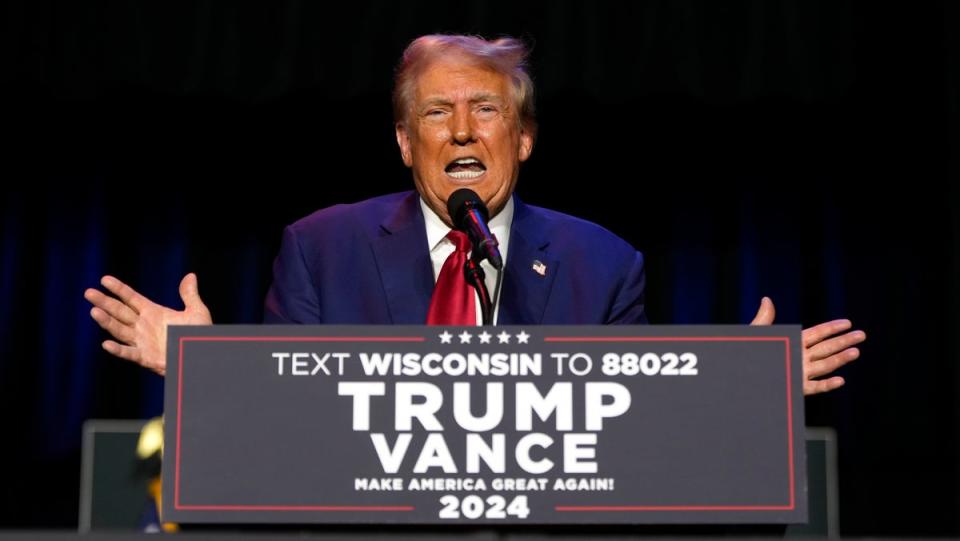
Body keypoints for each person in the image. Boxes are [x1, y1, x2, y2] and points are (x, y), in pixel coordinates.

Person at [84, 34, 864, 393]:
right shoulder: (322, 246)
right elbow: (290, 418)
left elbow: (629, 426)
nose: (460, 130)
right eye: (435, 113)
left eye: (484, 109)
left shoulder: (603, 263)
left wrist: (742, 392)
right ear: (402, 141)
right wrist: (205, 369)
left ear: (522, 138)